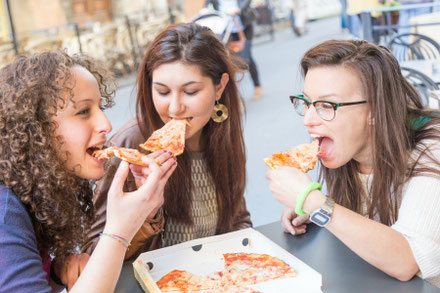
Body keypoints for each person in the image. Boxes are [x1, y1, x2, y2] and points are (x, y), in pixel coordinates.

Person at [267, 40, 440, 287]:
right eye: (307, 102)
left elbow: (406, 261)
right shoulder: (349, 150)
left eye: (327, 105)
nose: (308, 119)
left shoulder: (432, 149)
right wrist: (315, 208)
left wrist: (316, 203)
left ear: (375, 109)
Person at [0, 51, 177, 292]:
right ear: (35, 131)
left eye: (100, 108)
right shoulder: (5, 213)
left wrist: (55, 272)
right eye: (83, 111)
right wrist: (119, 231)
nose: (106, 124)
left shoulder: (29, 190)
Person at [80, 22, 251, 265]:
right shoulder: (131, 146)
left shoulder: (221, 134)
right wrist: (145, 211)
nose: (174, 108)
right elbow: (91, 254)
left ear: (219, 87)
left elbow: (238, 220)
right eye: (162, 92)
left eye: (190, 92)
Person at [206, 0, 264, 99]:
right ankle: (232, 94)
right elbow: (208, 3)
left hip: (243, 26)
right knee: (228, 61)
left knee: (246, 57)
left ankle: (257, 85)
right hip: (225, 30)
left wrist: (238, 9)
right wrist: (205, 9)